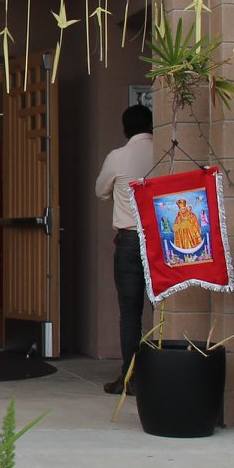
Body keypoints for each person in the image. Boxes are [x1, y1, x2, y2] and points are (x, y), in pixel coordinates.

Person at [94, 103, 156, 393]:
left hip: (130, 240)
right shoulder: (163, 151)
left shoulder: (118, 157)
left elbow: (101, 191)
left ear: (125, 129)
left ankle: (130, 376)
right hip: (162, 240)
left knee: (130, 312)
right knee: (164, 307)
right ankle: (162, 372)